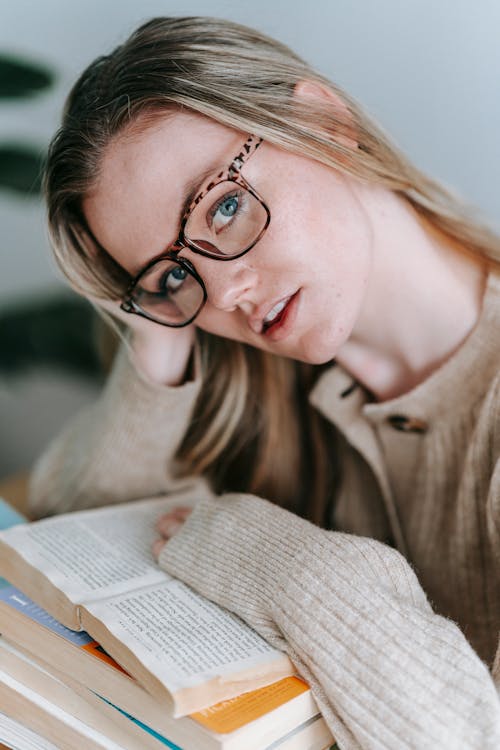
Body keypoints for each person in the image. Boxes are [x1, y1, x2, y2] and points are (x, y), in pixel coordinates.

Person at [31, 16, 499, 749]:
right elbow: (73, 527)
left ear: (324, 122)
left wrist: (296, 574)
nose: (224, 297)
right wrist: (160, 326)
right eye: (177, 274)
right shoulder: (268, 381)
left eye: (222, 205)